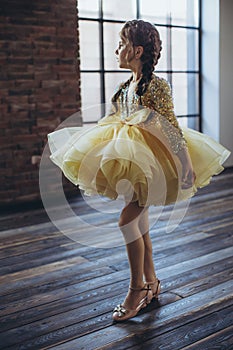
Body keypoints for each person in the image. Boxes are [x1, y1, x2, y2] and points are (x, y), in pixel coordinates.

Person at [48, 20, 230, 322]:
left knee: (127, 221)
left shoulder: (155, 86)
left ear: (137, 50)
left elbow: (170, 127)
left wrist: (185, 165)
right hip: (130, 158)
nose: (117, 49)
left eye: (121, 44)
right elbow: (112, 122)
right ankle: (152, 283)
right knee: (140, 222)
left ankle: (136, 288)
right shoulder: (124, 87)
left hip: (151, 161)